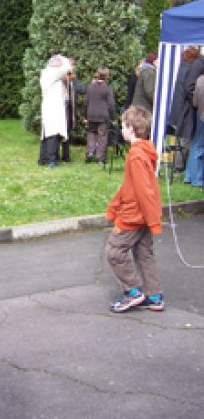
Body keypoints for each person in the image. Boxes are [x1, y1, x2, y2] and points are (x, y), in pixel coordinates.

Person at [106, 105, 164, 313]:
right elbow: (130, 187)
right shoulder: (142, 152)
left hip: (134, 216)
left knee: (114, 251)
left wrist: (152, 221)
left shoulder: (137, 156)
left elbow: (143, 191)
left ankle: (132, 292)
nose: (121, 129)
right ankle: (155, 296)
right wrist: (114, 206)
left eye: (123, 126)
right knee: (144, 253)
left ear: (131, 128)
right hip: (142, 215)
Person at [38, 54, 72, 168]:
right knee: (52, 133)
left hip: (51, 106)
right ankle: (51, 159)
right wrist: (63, 59)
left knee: (48, 133)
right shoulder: (51, 72)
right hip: (53, 108)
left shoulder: (48, 73)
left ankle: (43, 158)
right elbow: (67, 67)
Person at [84, 67, 115, 164]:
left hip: (91, 114)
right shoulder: (107, 88)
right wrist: (112, 116)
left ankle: (90, 151)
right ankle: (100, 158)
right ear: (107, 76)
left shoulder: (90, 87)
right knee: (102, 136)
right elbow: (111, 104)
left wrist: (85, 116)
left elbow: (86, 102)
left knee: (91, 133)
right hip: (103, 115)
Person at [60, 58, 86, 163]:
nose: (73, 68)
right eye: (71, 66)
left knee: (67, 133)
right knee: (60, 133)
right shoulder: (60, 80)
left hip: (70, 111)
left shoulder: (73, 80)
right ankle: (56, 154)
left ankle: (66, 156)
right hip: (61, 111)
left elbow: (82, 89)